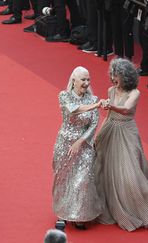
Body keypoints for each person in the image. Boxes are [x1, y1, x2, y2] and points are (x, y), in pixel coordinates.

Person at [95, 58, 148, 232]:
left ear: (125, 76)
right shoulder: (111, 90)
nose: (113, 78)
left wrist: (110, 105)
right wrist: (99, 135)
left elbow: (127, 109)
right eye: (112, 74)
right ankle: (115, 207)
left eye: (117, 75)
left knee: (132, 173)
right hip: (111, 131)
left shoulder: (135, 93)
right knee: (107, 169)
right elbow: (109, 117)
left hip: (127, 133)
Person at [52, 67, 104, 230]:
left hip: (84, 144)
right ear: (73, 80)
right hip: (65, 143)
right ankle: (62, 214)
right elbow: (73, 110)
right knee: (64, 178)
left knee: (83, 179)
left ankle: (79, 214)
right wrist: (96, 105)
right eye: (83, 79)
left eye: (88, 80)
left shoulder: (92, 98)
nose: (86, 83)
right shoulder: (64, 96)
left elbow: (93, 125)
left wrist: (80, 142)